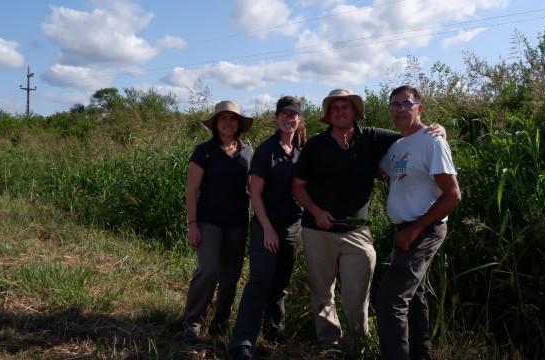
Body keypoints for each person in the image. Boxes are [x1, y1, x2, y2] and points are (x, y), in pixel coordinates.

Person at [291, 88, 445, 355]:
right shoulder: (316, 145)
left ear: (355, 112)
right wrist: (316, 212)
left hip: (357, 232)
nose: (340, 112)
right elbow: (297, 186)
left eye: (345, 107)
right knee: (322, 292)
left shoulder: (373, 137)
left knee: (357, 296)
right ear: (328, 114)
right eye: (335, 108)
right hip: (317, 230)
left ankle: (356, 345)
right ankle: (329, 343)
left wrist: (438, 129)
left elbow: (413, 137)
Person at [376, 85, 461, 360]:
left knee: (390, 301)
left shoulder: (432, 141)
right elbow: (376, 168)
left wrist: (414, 230)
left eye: (406, 103)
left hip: (423, 229)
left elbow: (452, 195)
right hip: (406, 230)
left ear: (419, 108)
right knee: (413, 298)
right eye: (394, 104)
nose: (400, 109)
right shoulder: (398, 147)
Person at [229, 96, 306, 359]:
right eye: (284, 114)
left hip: (293, 226)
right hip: (266, 225)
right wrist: (268, 229)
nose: (289, 118)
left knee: (281, 283)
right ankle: (243, 341)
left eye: (294, 114)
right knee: (260, 281)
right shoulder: (266, 150)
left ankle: (275, 329)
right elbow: (255, 193)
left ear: (299, 119)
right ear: (276, 118)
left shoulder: (301, 149)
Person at [180, 100, 253, 341]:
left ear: (239, 124)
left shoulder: (247, 152)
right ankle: (192, 322)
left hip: (238, 223)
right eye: (224, 119)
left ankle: (220, 323)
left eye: (233, 119)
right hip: (209, 221)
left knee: (231, 276)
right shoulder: (204, 151)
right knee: (209, 270)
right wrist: (192, 224)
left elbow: (254, 187)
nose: (229, 123)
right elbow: (192, 190)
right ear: (216, 123)